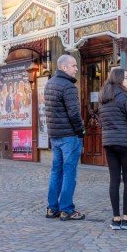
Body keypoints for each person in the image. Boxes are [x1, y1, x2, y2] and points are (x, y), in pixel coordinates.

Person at [98, 67, 127, 230]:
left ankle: (115, 219)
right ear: (118, 79)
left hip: (109, 144)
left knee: (114, 179)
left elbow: (103, 122)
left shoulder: (104, 97)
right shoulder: (125, 97)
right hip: (125, 143)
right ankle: (126, 218)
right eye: (126, 77)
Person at [44, 54, 86, 221]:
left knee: (56, 171)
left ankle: (52, 207)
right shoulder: (68, 86)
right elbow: (74, 113)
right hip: (69, 135)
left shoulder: (49, 84)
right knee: (69, 172)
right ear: (64, 67)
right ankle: (66, 209)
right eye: (73, 66)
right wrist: (81, 131)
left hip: (55, 135)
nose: (76, 69)